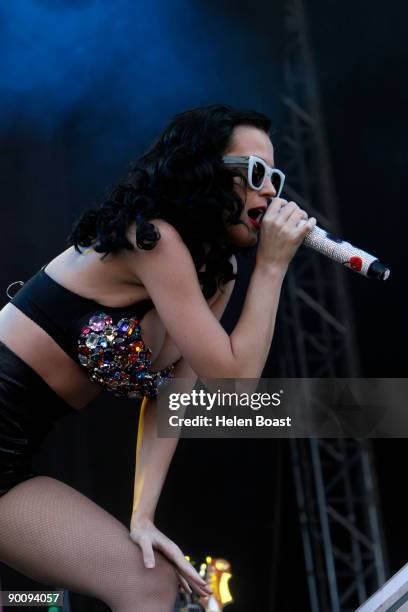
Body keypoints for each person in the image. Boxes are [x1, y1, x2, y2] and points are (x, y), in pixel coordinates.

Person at [0, 104, 316, 611]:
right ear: (204, 172)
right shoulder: (153, 238)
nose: (271, 192)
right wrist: (272, 268)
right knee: (34, 603)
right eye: (256, 174)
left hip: (9, 465)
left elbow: (182, 395)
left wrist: (142, 515)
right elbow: (233, 378)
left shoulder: (216, 273)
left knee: (149, 583)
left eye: (274, 177)